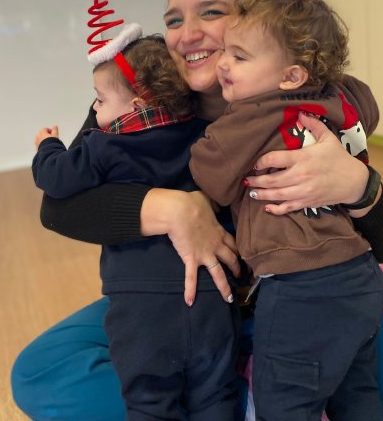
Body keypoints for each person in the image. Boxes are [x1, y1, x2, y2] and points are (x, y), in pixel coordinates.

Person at [11, 0, 383, 421]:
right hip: (177, 304)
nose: (187, 34)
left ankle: (240, 394)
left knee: (374, 357)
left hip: (298, 298)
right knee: (40, 372)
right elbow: (58, 208)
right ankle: (244, 398)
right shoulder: (139, 92)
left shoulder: (305, 96)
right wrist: (172, 209)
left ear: (255, 19)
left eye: (211, 12)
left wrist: (358, 185)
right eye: (174, 20)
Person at [189, 0, 383, 420]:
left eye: (240, 57)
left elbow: (210, 174)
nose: (224, 64)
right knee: (358, 394)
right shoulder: (338, 97)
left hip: (302, 287)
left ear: (291, 75)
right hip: (361, 276)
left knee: (284, 404)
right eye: (226, 51)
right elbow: (368, 108)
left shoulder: (249, 117)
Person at [32, 30, 240, 419]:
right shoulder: (202, 135)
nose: (95, 110)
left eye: (99, 100)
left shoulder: (102, 146)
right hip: (211, 294)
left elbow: (55, 179)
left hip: (142, 305)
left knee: (150, 401)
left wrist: (48, 146)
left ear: (137, 105)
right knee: (215, 394)